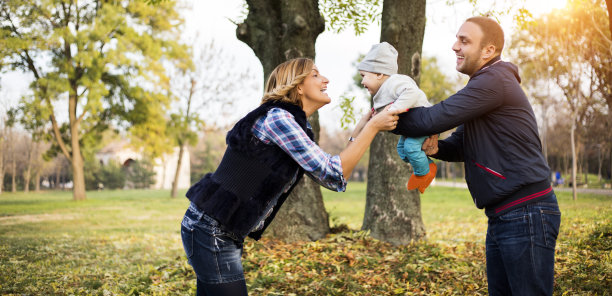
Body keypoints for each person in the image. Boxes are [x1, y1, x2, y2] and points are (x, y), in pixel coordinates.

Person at [181, 57, 400, 296]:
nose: (326, 79)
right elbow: (332, 171)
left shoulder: (294, 124)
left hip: (219, 229)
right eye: (315, 75)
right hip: (211, 229)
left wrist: (361, 130)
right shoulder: (278, 118)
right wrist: (372, 128)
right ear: (298, 86)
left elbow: (331, 176)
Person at [393, 16, 561, 296]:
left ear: (488, 50)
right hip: (504, 215)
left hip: (526, 213)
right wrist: (437, 149)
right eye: (457, 39)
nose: (454, 46)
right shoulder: (484, 86)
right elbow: (461, 144)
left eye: (464, 41)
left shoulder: (494, 81)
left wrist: (382, 117)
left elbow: (433, 118)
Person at [357, 41, 437, 193]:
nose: (362, 81)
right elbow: (384, 111)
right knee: (402, 150)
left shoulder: (395, 81)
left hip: (425, 122)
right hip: (412, 127)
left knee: (410, 147)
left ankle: (423, 174)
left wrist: (394, 109)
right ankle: (427, 165)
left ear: (379, 74)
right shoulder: (381, 91)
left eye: (363, 76)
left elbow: (411, 92)